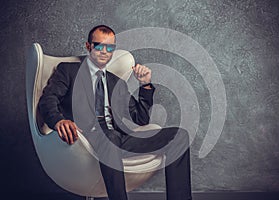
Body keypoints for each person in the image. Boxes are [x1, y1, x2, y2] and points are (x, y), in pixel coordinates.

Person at [38, 25, 192, 200]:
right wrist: (59, 121)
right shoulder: (68, 71)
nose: (104, 51)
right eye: (99, 46)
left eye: (110, 47)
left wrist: (145, 85)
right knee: (108, 136)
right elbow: (48, 100)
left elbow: (141, 118)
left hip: (119, 138)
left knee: (180, 136)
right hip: (85, 138)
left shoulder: (116, 82)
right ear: (88, 46)